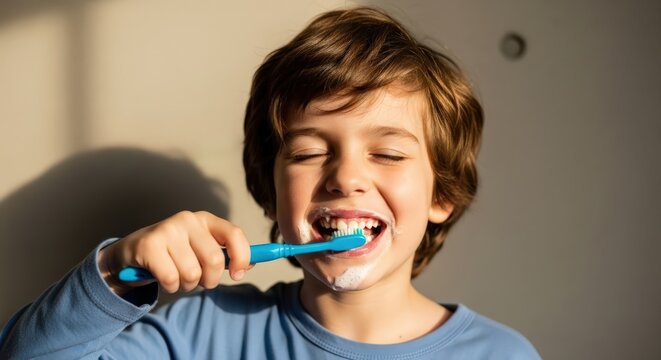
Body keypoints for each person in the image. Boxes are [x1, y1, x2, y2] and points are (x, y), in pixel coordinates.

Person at [0, 7, 541, 359]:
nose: (346, 177)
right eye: (308, 152)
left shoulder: (501, 354)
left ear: (441, 195)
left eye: (388, 153)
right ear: (271, 193)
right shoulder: (200, 334)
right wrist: (115, 271)